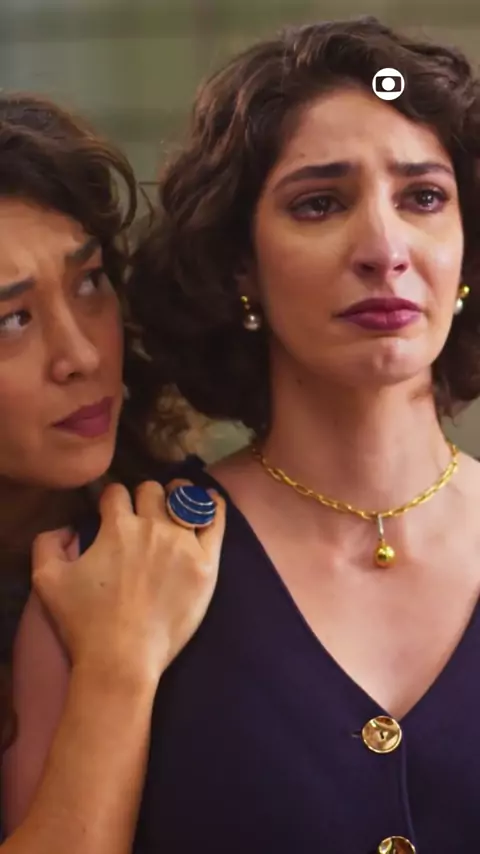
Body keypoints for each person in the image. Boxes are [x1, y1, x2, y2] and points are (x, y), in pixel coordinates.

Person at [11, 16, 480, 853]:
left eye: (424, 197)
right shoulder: (100, 580)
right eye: (319, 203)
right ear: (239, 266)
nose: (384, 248)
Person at [0, 93, 226, 852]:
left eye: (90, 281)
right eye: (11, 321)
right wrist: (118, 664)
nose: (82, 355)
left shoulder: (179, 519)